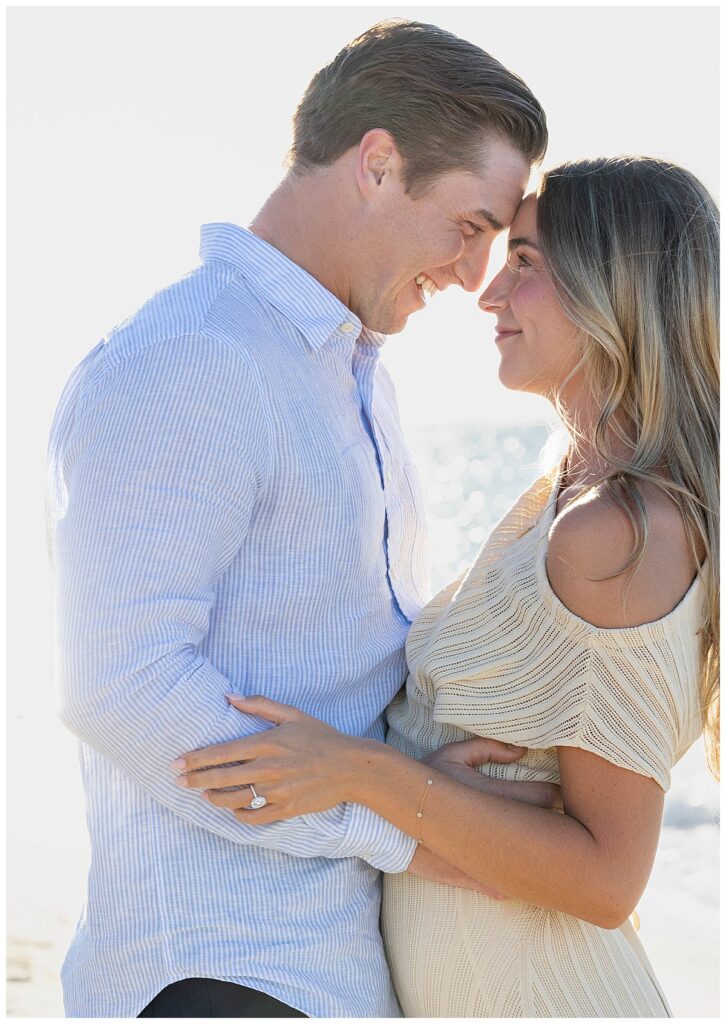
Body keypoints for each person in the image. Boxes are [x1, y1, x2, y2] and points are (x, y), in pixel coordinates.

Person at [47, 18, 549, 1020]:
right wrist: (407, 821)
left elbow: (339, 664)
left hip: (323, 966)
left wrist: (422, 779)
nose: (473, 274)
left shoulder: (349, 375)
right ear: (377, 163)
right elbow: (124, 685)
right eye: (471, 224)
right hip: (217, 973)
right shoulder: (196, 356)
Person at [176, 156, 720, 1017]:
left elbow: (607, 876)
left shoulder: (617, 532)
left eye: (527, 264)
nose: (489, 291)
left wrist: (361, 772)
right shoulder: (564, 497)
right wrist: (410, 774)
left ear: (614, 288)